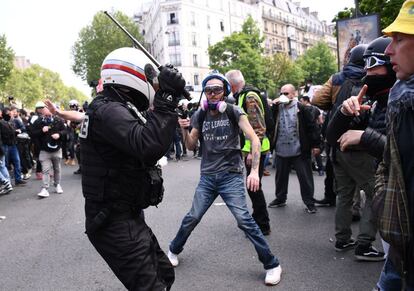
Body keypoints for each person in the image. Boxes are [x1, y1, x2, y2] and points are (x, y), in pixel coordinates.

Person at [78, 47, 186, 290]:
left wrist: (170, 98)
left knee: (165, 275)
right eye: (152, 78)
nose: (154, 83)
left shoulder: (115, 107)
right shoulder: (108, 110)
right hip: (112, 220)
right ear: (133, 75)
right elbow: (148, 144)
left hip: (127, 214)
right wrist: (167, 97)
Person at [167, 72, 282, 286]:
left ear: (225, 91)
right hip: (208, 177)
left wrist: (255, 171)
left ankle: (272, 264)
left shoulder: (234, 111)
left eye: (217, 89)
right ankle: (173, 250)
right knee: (193, 216)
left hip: (231, 175)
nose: (212, 94)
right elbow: (191, 145)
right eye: (208, 90)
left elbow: (255, 140)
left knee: (245, 220)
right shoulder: (200, 115)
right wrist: (185, 130)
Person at [327, 36, 396, 262]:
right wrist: (345, 113)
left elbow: (403, 153)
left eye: (373, 63)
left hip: (398, 194)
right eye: (365, 64)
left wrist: (365, 137)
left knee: (353, 196)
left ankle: (360, 241)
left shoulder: (404, 99)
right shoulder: (377, 100)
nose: (368, 71)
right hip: (357, 158)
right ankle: (362, 243)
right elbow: (333, 134)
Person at [374, 1, 414, 288]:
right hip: (402, 246)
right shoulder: (400, 97)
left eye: (399, 40)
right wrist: (382, 201)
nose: (389, 52)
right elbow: (393, 164)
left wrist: (364, 138)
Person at [312, 44, 367, 207]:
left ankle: (332, 197)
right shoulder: (371, 76)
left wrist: (334, 105)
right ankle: (357, 206)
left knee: (334, 166)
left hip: (337, 127)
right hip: (362, 130)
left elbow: (317, 100)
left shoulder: (338, 77)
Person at [225, 69, 273, 235]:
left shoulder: (249, 96)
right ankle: (259, 221)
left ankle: (262, 224)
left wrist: (253, 152)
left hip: (256, 148)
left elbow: (258, 127)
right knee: (253, 185)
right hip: (253, 148)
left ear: (231, 85)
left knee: (253, 186)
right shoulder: (245, 95)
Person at [267, 84, 321, 213]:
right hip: (280, 149)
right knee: (280, 177)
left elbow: (312, 127)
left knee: (305, 177)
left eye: (286, 93)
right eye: (282, 93)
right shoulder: (277, 108)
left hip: (299, 150)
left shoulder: (302, 108)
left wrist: (315, 145)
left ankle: (309, 202)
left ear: (293, 94)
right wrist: (273, 106)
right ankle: (280, 198)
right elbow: (269, 123)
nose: (283, 96)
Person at [30, 105, 66, 198]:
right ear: (42, 112)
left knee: (57, 169)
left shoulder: (58, 120)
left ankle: (57, 184)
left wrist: (59, 134)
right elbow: (32, 133)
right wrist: (41, 130)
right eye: (45, 113)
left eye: (49, 112)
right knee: (45, 170)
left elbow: (66, 132)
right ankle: (45, 188)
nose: (47, 115)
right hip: (44, 150)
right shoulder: (38, 122)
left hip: (57, 149)